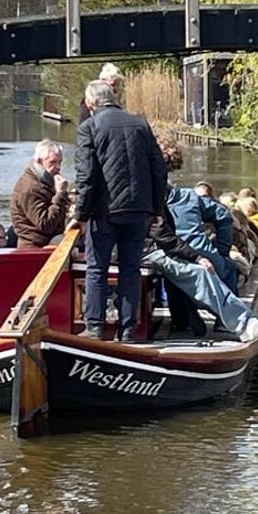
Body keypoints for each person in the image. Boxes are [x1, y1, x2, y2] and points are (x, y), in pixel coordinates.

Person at [68, 78, 168, 341]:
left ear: (91, 103)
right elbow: (159, 169)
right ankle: (127, 331)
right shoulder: (140, 124)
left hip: (105, 212)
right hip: (138, 210)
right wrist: (156, 208)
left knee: (97, 269)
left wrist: (80, 215)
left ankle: (95, 328)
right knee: (130, 268)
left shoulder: (89, 127)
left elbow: (86, 176)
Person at [142, 205, 258, 342]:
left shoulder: (149, 197)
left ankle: (239, 321)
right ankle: (244, 325)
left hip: (140, 248)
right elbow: (164, 237)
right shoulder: (150, 198)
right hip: (145, 250)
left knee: (200, 270)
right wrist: (198, 257)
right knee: (201, 272)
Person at [157, 141, 240, 292]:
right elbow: (223, 215)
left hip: (161, 257)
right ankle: (231, 312)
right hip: (199, 255)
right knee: (229, 269)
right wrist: (222, 251)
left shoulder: (142, 197)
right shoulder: (188, 197)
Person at [10, 139, 71, 246]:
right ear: (39, 161)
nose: (58, 167)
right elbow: (45, 225)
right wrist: (60, 194)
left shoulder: (47, 180)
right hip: (34, 248)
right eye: (52, 162)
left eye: (60, 162)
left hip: (49, 242)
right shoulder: (30, 187)